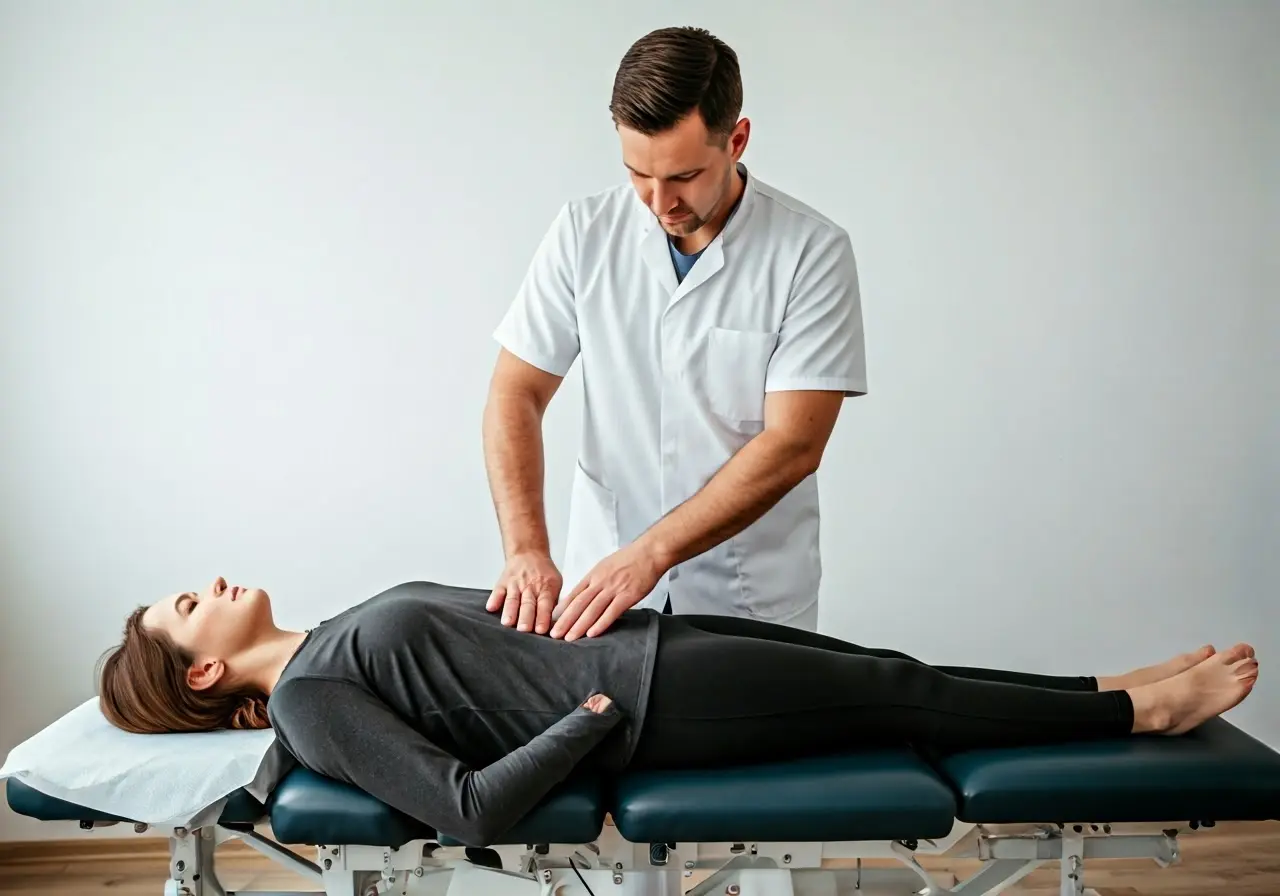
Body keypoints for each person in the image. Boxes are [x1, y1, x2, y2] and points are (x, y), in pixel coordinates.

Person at [99, 576, 1257, 848]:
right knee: (903, 698)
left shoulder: (324, 641)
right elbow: (467, 811)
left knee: (893, 670)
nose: (206, 583)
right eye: (186, 606)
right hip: (651, 699)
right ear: (202, 672)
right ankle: (1133, 716)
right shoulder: (306, 697)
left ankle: (1111, 688)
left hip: (653, 641)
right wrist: (592, 709)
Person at [483, 26, 866, 641]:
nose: (659, 202)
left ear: (736, 139)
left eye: (684, 175)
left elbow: (794, 443)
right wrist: (526, 548)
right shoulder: (583, 232)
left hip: (748, 600)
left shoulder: (810, 252)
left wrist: (653, 552)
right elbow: (515, 393)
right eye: (638, 173)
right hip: (599, 593)